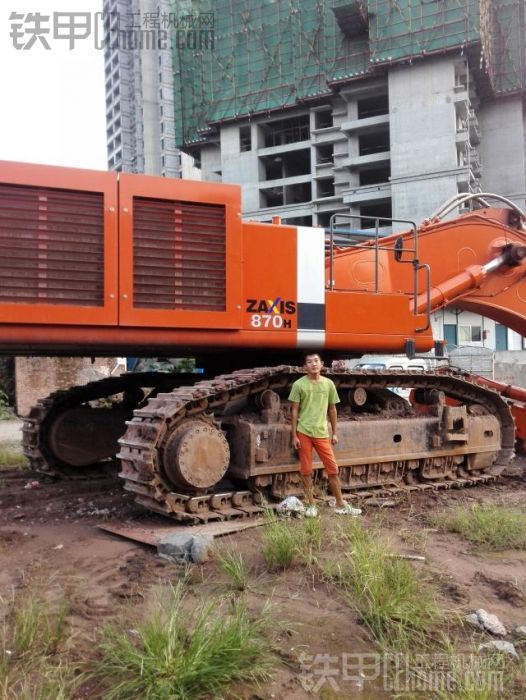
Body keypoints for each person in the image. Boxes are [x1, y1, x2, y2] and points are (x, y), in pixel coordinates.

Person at [288, 352, 361, 517]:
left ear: (322, 364)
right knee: (306, 470)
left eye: (316, 361)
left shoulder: (328, 384)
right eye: (309, 362)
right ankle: (311, 504)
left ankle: (340, 503)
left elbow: (332, 409)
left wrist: (334, 432)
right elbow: (294, 411)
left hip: (321, 432)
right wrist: (294, 435)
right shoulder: (299, 385)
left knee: (332, 468)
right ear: (304, 367)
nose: (313, 364)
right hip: (304, 431)